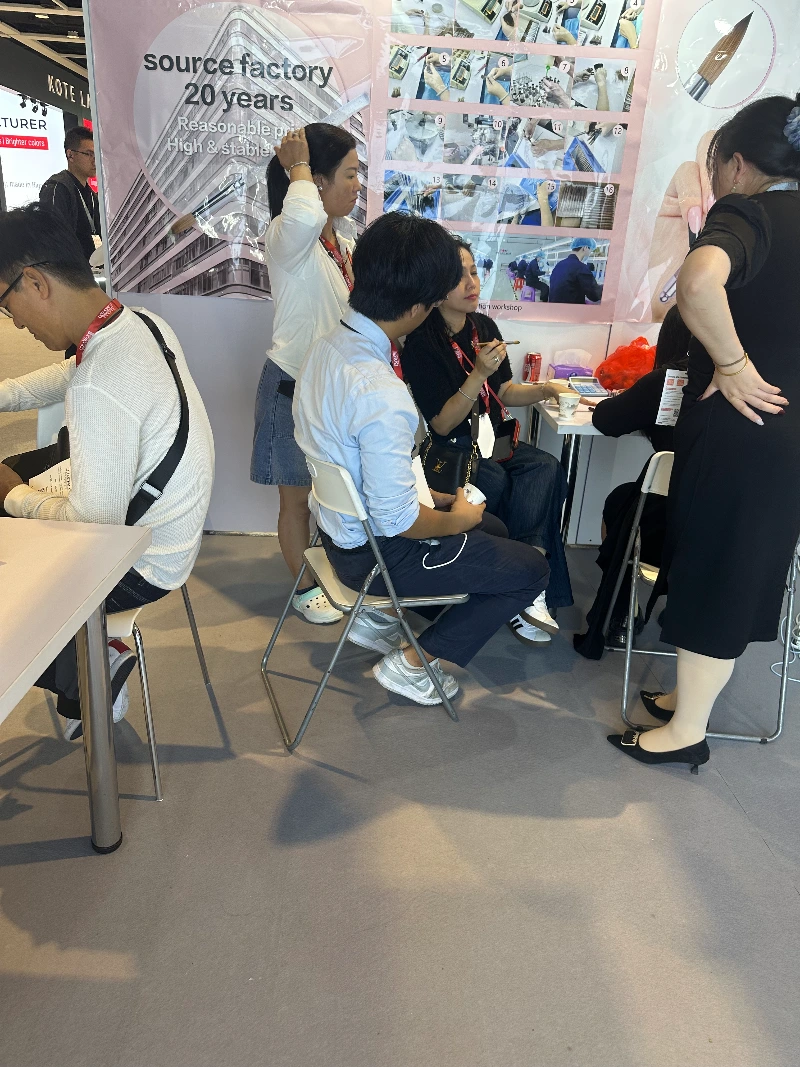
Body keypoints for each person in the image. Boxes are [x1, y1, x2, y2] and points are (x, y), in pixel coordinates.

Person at [608, 93, 800, 770]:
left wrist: (734, 363)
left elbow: (697, 283)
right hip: (786, 440)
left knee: (715, 571)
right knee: (740, 571)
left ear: (738, 165)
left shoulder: (748, 214)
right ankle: (688, 704)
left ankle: (686, 730)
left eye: (715, 166)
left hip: (739, 431)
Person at [293, 213, 550, 704]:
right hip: (376, 554)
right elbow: (398, 520)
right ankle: (413, 665)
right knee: (530, 571)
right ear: (416, 306)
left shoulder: (326, 348)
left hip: (337, 533)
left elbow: (355, 464)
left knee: (494, 528)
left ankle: (381, 617)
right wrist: (456, 519)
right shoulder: (380, 390)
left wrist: (434, 497)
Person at [0, 204, 214, 739]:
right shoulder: (136, 322)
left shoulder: (101, 382)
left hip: (144, 562)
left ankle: (89, 671)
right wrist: (4, 396)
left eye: (6, 306)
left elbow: (91, 532)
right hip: (168, 523)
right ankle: (90, 656)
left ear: (35, 282)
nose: (15, 323)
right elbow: (70, 374)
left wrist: (15, 496)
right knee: (16, 476)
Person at [401, 237, 574, 646]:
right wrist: (477, 373)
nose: (471, 282)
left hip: (493, 442)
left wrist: (547, 389)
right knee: (496, 480)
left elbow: (505, 391)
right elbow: (442, 423)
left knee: (544, 466)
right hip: (453, 449)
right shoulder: (423, 341)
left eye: (474, 272)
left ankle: (527, 582)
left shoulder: (485, 328)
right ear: (436, 285)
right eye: (458, 276)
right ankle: (517, 585)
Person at [251, 124, 360, 625]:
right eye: (349, 174)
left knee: (332, 497)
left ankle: (333, 574)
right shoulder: (286, 236)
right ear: (316, 182)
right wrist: (297, 165)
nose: (357, 185)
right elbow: (303, 213)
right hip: (290, 388)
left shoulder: (341, 241)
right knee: (295, 500)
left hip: (330, 391)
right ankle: (305, 589)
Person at [574, 306, 691, 656]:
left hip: (665, 531)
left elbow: (608, 421)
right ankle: (685, 609)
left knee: (621, 501)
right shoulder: (752, 382)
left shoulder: (668, 380)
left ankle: (622, 614)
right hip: (729, 533)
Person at [39, 126, 100, 264]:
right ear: (70, 155)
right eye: (89, 154)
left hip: (91, 269)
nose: (94, 160)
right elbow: (52, 238)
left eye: (96, 155)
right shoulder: (57, 188)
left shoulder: (92, 195)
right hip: (69, 271)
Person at [549, 238, 603, 303]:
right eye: (590, 250)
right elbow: (594, 295)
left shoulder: (559, 264)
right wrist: (605, 287)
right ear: (585, 248)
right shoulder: (581, 267)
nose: (589, 254)